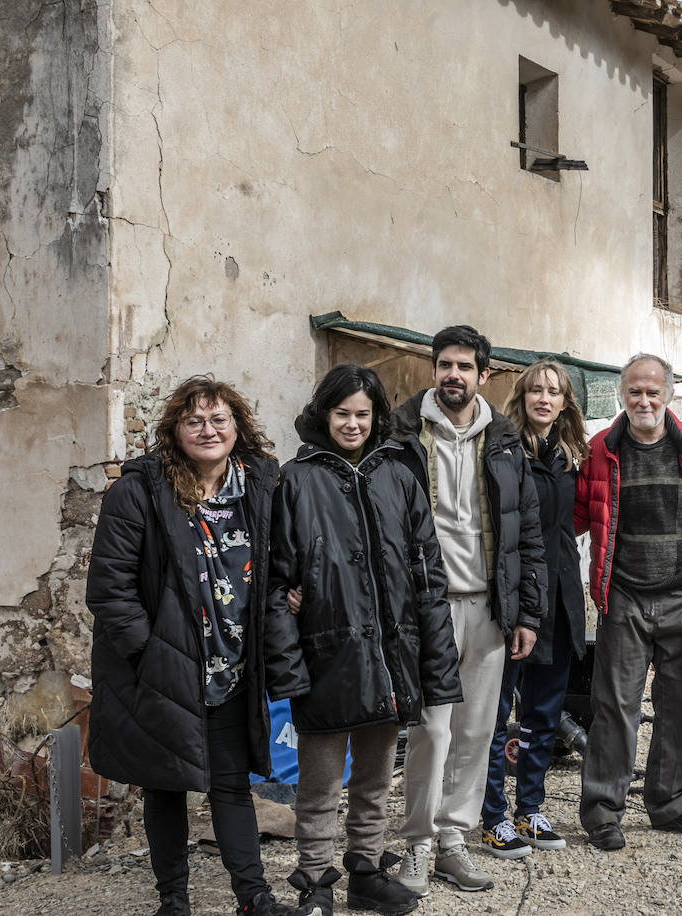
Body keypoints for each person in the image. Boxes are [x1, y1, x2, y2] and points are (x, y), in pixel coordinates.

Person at [86, 376, 306, 916]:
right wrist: (150, 655)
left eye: (218, 419)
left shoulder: (259, 487)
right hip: (163, 668)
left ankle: (253, 898)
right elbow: (110, 589)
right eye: (194, 421)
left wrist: (290, 595)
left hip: (232, 666)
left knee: (231, 785)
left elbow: (280, 563)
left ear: (237, 426)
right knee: (166, 785)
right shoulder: (138, 491)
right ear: (175, 430)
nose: (208, 430)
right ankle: (174, 901)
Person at [271, 364, 463, 916]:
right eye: (342, 413)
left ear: (376, 415)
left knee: (376, 778)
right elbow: (278, 581)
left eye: (362, 414)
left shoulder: (399, 475)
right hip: (326, 653)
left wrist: (435, 658)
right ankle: (314, 880)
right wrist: (288, 665)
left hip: (390, 653)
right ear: (323, 414)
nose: (352, 424)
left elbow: (428, 572)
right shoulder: (296, 480)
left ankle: (366, 872)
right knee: (319, 783)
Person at [390, 325, 548, 895]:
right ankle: (418, 843)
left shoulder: (504, 440)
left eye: (464, 366)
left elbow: (527, 532)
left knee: (477, 731)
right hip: (427, 608)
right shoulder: (402, 431)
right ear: (434, 369)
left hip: (488, 608)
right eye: (444, 364)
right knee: (431, 731)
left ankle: (453, 840)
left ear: (484, 375)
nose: (452, 374)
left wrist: (527, 614)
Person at [574, 353, 682, 851]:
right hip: (623, 597)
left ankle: (670, 803)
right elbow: (574, 514)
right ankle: (603, 812)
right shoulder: (600, 450)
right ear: (622, 395)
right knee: (614, 706)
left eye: (652, 392)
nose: (643, 401)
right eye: (634, 392)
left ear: (668, 394)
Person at [479, 360, 588, 859]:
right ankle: (491, 815)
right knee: (497, 711)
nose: (544, 398)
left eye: (554, 392)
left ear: (565, 403)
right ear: (522, 397)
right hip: (514, 595)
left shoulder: (570, 457)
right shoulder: (503, 451)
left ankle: (530, 809)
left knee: (544, 711)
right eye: (536, 390)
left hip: (560, 595)